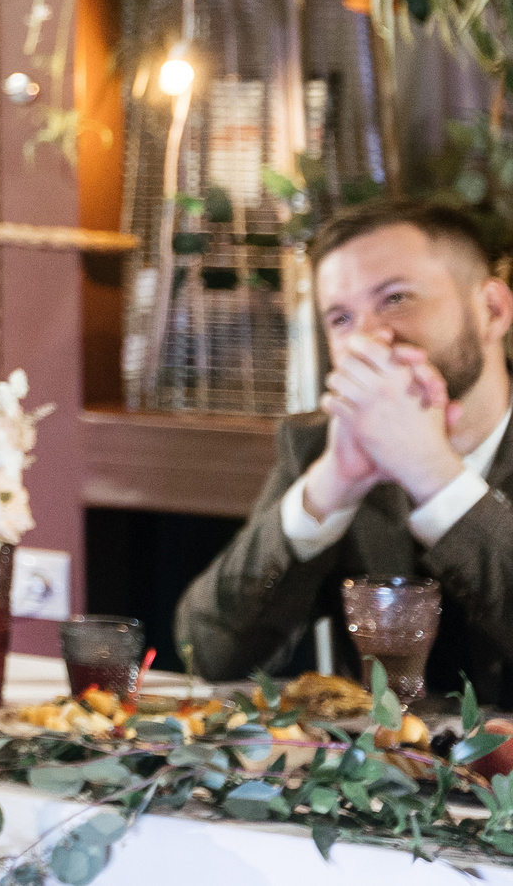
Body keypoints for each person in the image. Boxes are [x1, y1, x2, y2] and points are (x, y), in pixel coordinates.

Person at [178, 196, 513, 701]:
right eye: (340, 319)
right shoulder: (319, 448)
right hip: (378, 775)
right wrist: (330, 486)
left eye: (396, 298)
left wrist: (434, 475)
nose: (369, 339)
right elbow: (206, 650)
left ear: (491, 309)